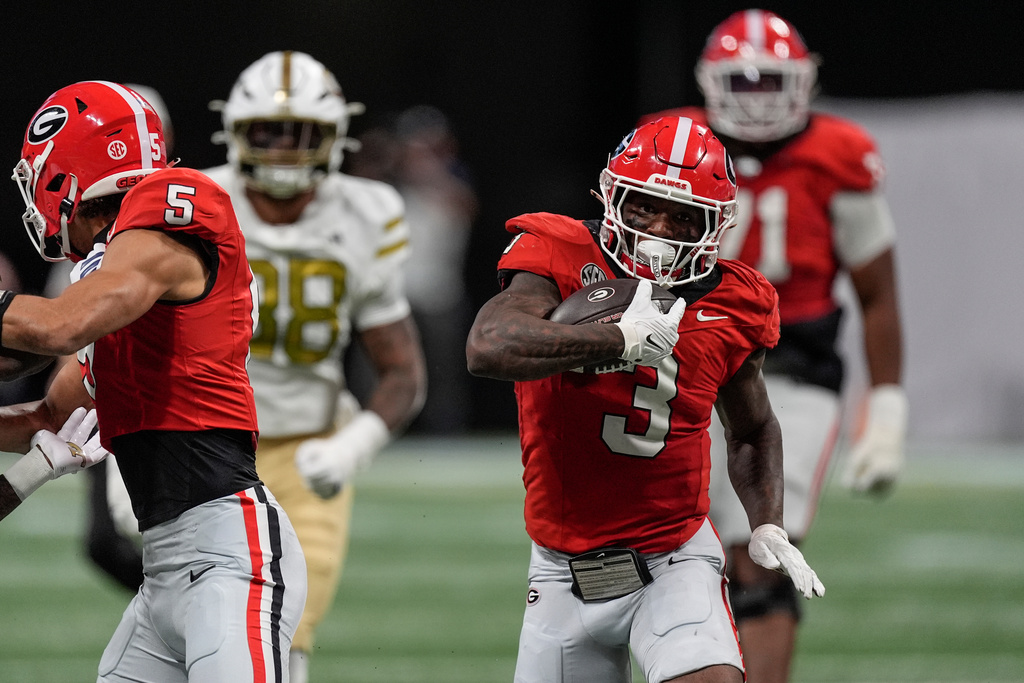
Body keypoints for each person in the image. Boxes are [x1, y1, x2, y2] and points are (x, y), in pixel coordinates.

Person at [466, 115, 824, 683]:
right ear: (612, 196)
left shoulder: (735, 301)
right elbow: (488, 346)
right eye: (643, 207)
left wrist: (766, 523)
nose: (658, 230)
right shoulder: (557, 253)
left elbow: (752, 426)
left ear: (718, 225)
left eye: (684, 217)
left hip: (673, 558)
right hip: (563, 572)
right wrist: (617, 340)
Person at [1, 80, 306, 681]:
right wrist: (31, 466)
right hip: (165, 571)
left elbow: (62, 325)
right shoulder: (122, 300)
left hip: (230, 556)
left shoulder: (174, 200)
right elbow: (46, 422)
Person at [639, 9, 907, 682]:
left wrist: (889, 409)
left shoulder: (839, 153)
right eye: (742, 82)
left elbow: (877, 292)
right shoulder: (677, 141)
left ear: (804, 81)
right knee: (662, 548)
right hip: (688, 363)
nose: (756, 99)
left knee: (760, 552)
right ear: (709, 80)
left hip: (792, 369)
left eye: (771, 82)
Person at [204, 51, 427, 683]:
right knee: (198, 624)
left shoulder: (366, 212)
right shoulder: (197, 201)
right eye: (267, 131)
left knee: (285, 635)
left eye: (302, 133)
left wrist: (352, 446)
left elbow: (402, 370)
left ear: (334, 137)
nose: (282, 149)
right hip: (203, 440)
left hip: (307, 445)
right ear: (236, 134)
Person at [41, 83, 175, 593]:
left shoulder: (168, 234)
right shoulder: (103, 241)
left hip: (176, 427)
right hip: (116, 407)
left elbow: (61, 327)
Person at [347, 105, 477, 434]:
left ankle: (446, 436)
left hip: (439, 293)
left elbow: (465, 208)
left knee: (442, 374)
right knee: (376, 367)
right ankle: (371, 429)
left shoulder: (451, 178)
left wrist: (423, 166)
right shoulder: (387, 184)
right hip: (393, 290)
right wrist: (381, 158)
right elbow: (355, 201)